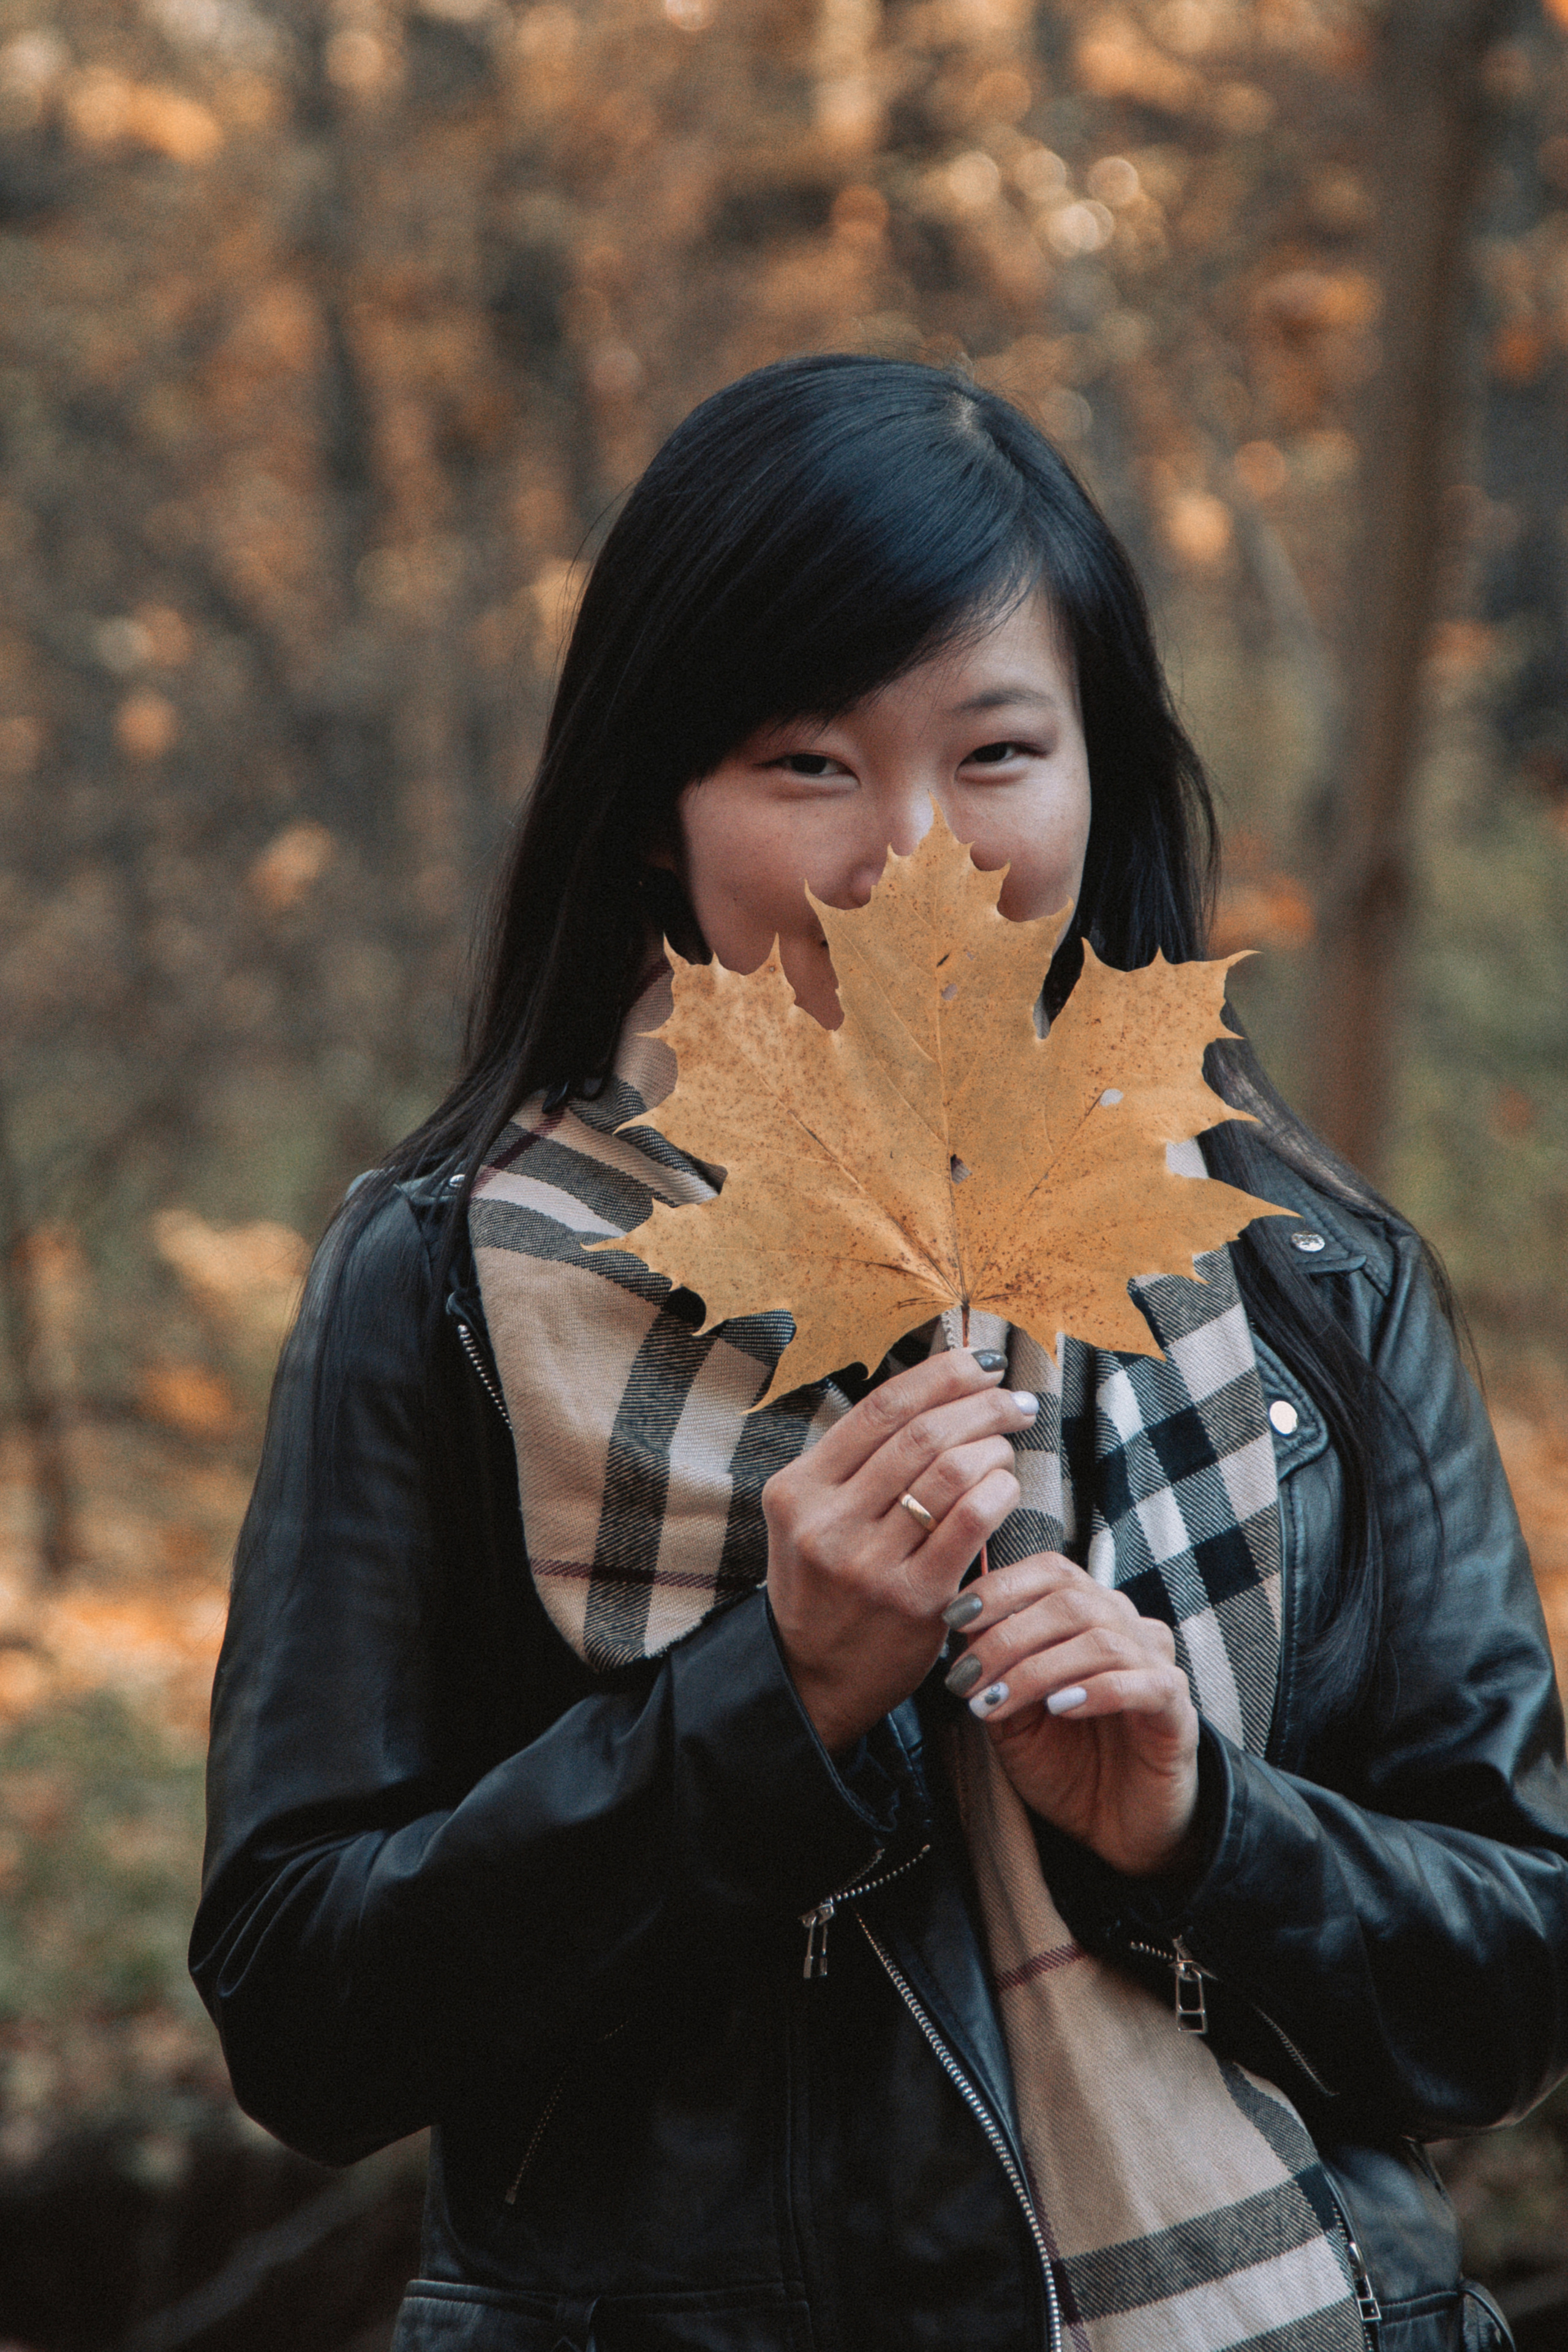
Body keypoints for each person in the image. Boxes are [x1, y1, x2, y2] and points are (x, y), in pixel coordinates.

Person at [192, 355, 1567, 2352]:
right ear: (657, 811)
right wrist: (767, 1712)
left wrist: (1199, 1832)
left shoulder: (1305, 1273)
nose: (911, 857)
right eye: (807, 766)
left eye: (997, 754)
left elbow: (1511, 1981)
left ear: (1101, 768)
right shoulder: (450, 1287)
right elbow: (305, 2016)